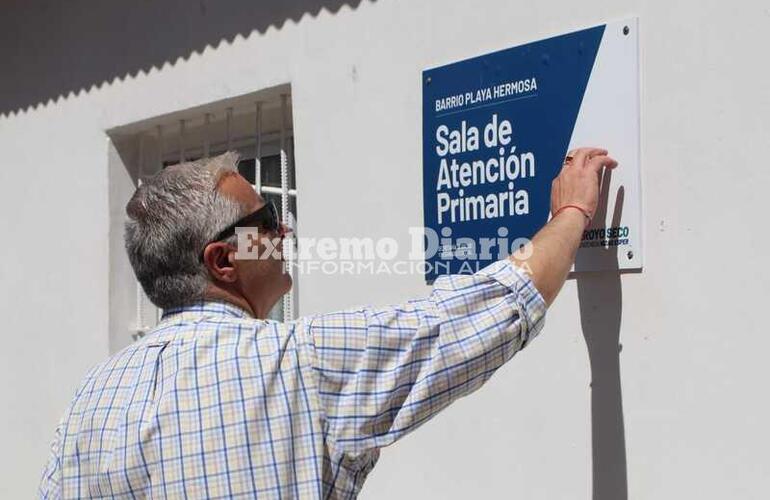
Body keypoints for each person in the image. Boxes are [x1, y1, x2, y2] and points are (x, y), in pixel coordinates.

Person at [39, 147, 616, 499]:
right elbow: (483, 311)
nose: (284, 231)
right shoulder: (297, 364)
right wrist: (570, 212)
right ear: (221, 261)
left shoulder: (90, 403)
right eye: (264, 220)